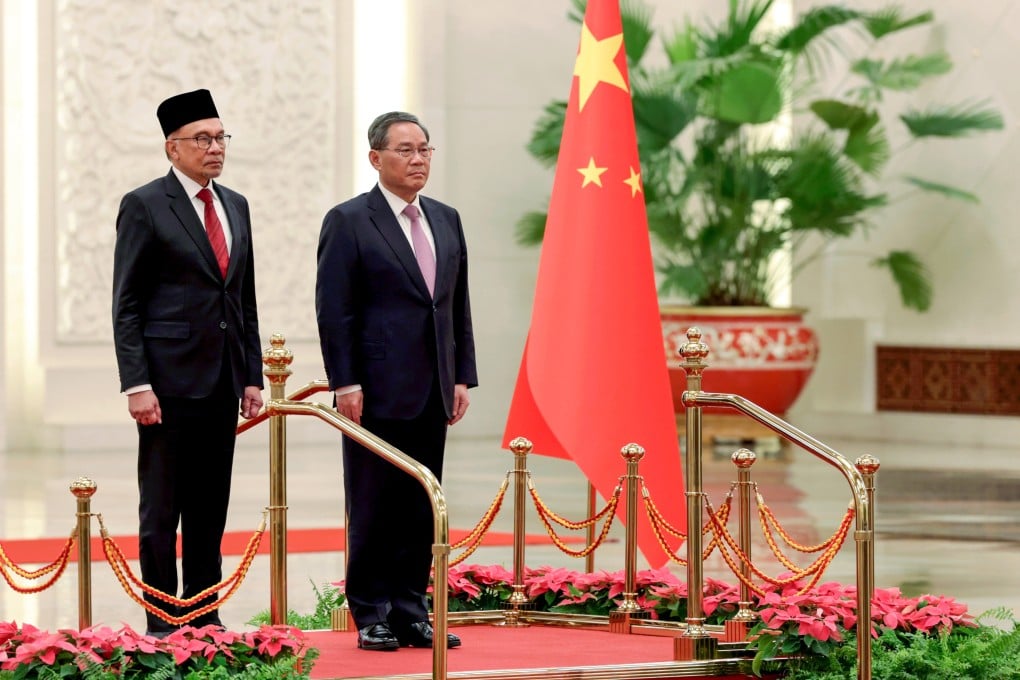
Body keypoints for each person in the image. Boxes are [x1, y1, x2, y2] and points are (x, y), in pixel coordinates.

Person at [315, 111, 477, 651]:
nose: (418, 159)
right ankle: (371, 611)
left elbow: (455, 306)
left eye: (424, 149)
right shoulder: (349, 220)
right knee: (373, 502)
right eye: (405, 150)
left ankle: (411, 609)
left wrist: (462, 376)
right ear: (376, 158)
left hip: (434, 385)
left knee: (420, 503)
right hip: (375, 389)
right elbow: (335, 310)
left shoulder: (446, 218)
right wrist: (345, 381)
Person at [112, 89, 264, 638]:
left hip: (223, 380)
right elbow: (127, 303)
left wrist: (252, 375)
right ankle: (161, 617)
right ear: (172, 147)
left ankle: (203, 612)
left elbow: (243, 298)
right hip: (167, 383)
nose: (215, 147)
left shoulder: (235, 204)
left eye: (221, 137)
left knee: (209, 505)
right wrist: (137, 383)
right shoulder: (145, 204)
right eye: (203, 138)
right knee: (162, 508)